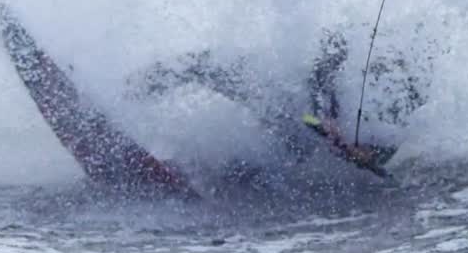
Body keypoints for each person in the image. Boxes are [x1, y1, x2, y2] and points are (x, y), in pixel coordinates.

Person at [126, 28, 397, 175]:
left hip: (286, 127)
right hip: (269, 97)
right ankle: (132, 89)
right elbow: (312, 111)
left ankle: (215, 170)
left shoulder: (359, 145)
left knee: (283, 153)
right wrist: (326, 123)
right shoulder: (324, 80)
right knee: (203, 68)